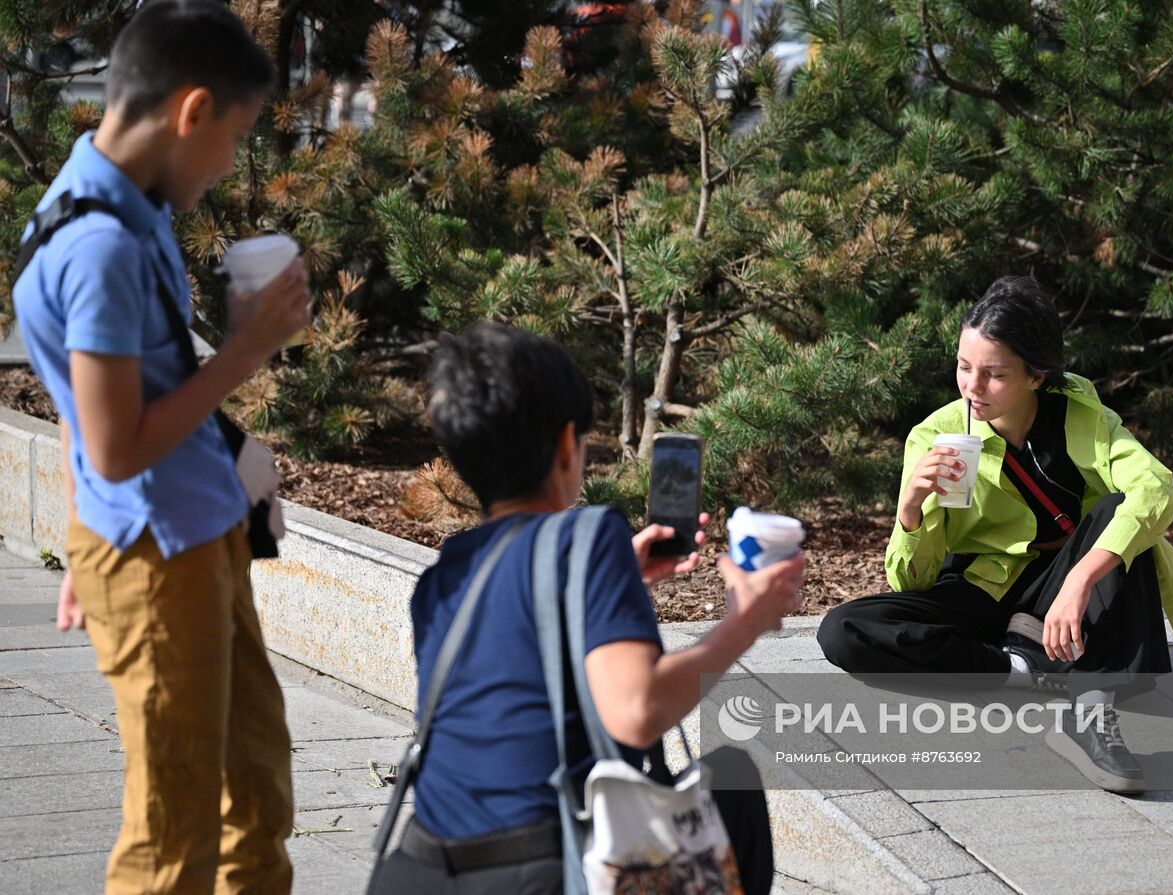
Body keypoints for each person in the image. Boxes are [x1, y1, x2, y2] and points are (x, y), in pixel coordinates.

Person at [11, 2, 311, 892]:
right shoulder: (99, 246)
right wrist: (248, 351)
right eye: (234, 136)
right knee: (171, 832)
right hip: (152, 554)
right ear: (190, 112)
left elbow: (83, 411)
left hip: (192, 530)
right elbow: (111, 445)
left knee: (255, 790)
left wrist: (79, 526)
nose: (226, 166)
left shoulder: (125, 201)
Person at [377, 322, 805, 893]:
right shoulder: (588, 532)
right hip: (543, 870)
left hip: (420, 866)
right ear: (564, 445)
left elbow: (516, 673)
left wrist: (604, 584)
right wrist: (743, 622)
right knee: (732, 784)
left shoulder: (444, 573)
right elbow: (636, 710)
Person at [817, 276, 1173, 794]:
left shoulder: (1083, 418)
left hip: (1068, 586)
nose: (972, 387)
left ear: (1036, 375)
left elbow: (1155, 491)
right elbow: (911, 583)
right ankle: (1021, 666)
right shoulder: (939, 436)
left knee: (1121, 515)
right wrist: (911, 512)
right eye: (963, 367)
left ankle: (1086, 714)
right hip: (985, 585)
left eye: (994, 374)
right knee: (845, 629)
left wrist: (1081, 580)